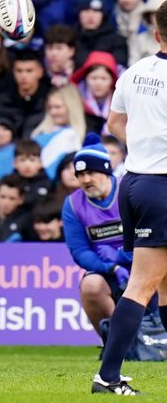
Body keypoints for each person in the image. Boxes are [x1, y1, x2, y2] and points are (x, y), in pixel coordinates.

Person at [90, 0, 167, 396]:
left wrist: (143, 144)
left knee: (164, 285)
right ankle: (107, 376)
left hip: (134, 182)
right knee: (142, 285)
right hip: (162, 186)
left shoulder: (135, 72)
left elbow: (114, 123)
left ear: (157, 34)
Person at [62, 139, 128, 341]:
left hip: (142, 263)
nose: (86, 180)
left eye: (91, 173)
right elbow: (79, 251)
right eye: (80, 175)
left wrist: (122, 256)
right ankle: (116, 345)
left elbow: (151, 235)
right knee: (91, 286)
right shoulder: (73, 204)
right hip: (105, 267)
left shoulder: (129, 192)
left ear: (106, 171)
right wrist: (111, 267)